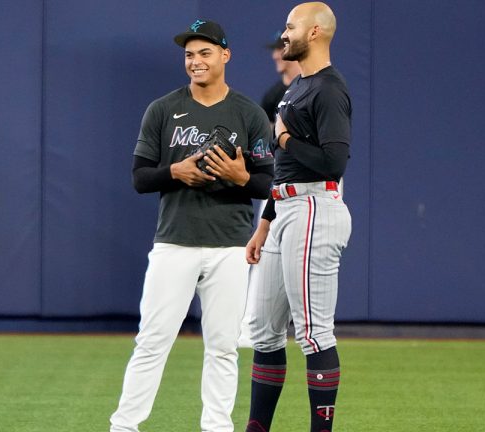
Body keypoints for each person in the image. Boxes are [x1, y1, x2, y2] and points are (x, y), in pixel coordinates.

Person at [109, 20, 274, 432]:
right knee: (152, 340)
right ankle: (124, 426)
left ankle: (218, 427)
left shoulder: (248, 113)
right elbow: (140, 178)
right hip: (175, 241)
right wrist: (175, 172)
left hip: (229, 245)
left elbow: (270, 183)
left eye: (204, 53)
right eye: (189, 55)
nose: (195, 61)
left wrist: (240, 178)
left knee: (222, 347)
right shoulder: (163, 109)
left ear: (225, 55)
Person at [241, 3, 352, 432]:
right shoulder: (295, 88)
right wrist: (264, 224)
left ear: (318, 31)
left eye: (291, 27)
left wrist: (284, 137)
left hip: (313, 209)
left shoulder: (327, 88)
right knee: (263, 331)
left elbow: (333, 162)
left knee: (313, 333)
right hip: (284, 207)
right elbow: (284, 170)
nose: (284, 35)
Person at [259, 30, 303, 124]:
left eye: (280, 49)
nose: (275, 56)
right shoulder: (271, 97)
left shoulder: (316, 88)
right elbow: (265, 135)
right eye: (274, 50)